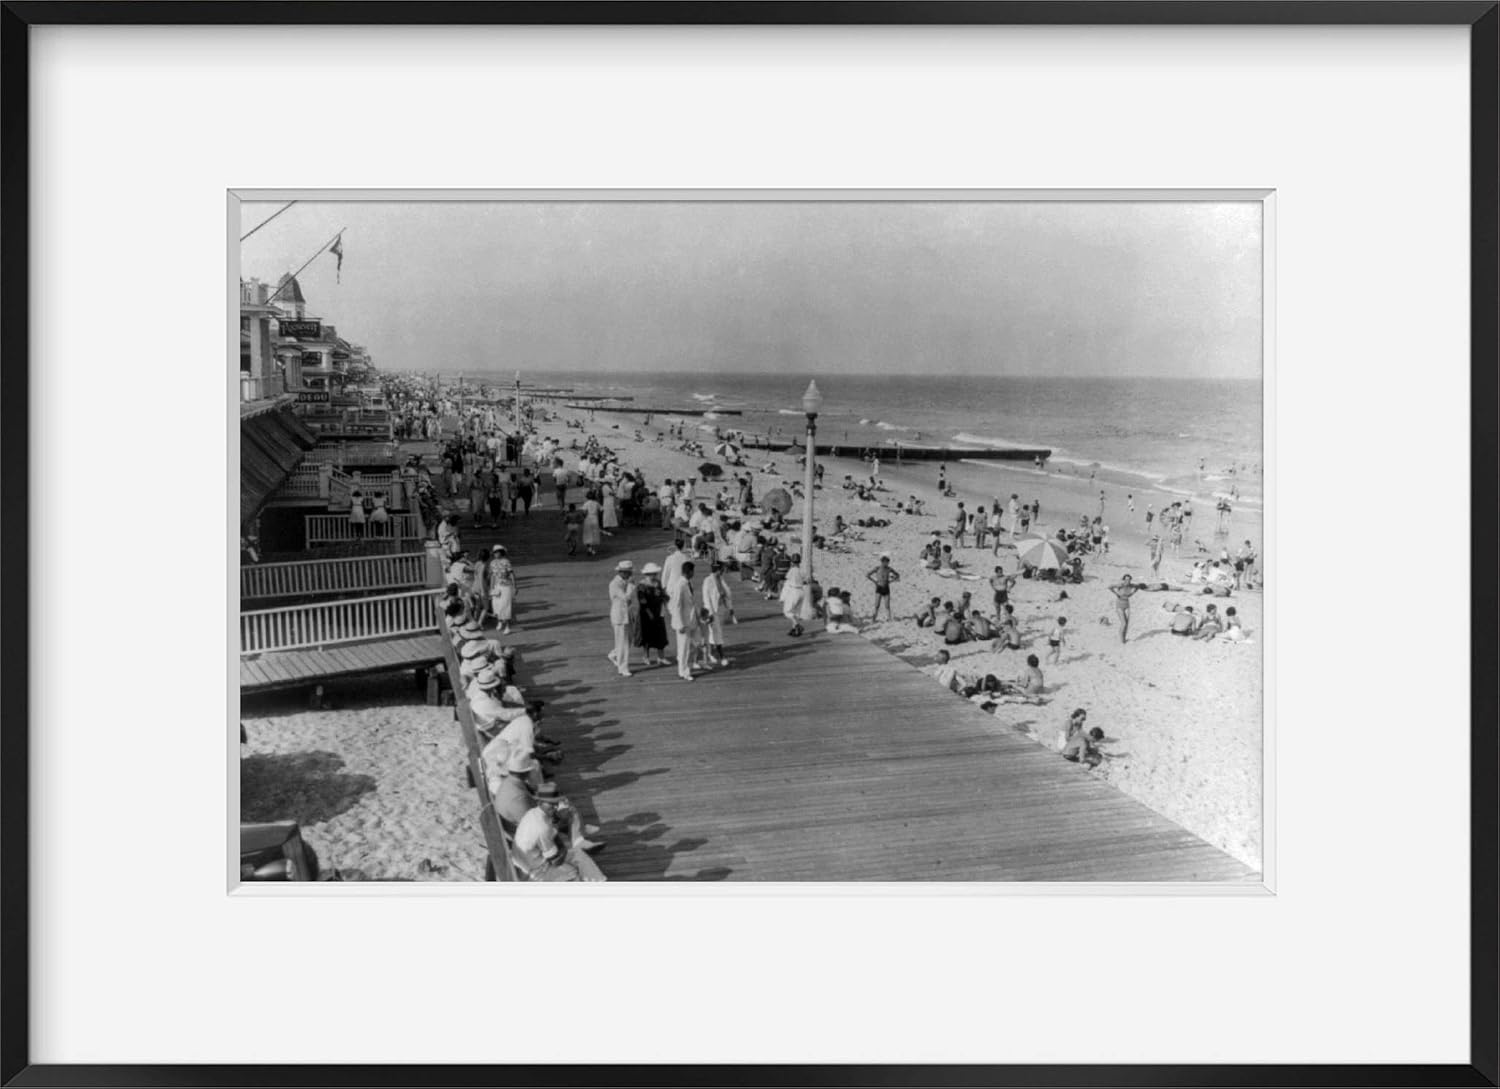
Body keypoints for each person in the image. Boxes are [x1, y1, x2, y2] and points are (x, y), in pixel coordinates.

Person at [701, 560, 736, 666]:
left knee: (714, 633)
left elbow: (727, 595)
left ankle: (710, 653)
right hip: (712, 610)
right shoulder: (708, 581)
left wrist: (730, 609)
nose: (724, 571)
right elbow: (706, 598)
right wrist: (710, 613)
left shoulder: (721, 579)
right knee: (717, 633)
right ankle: (722, 656)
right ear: (718, 570)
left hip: (720, 609)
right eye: (722, 569)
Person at [669, 560, 699, 680]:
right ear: (689, 572)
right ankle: (684, 671)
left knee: (688, 646)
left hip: (690, 620)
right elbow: (676, 605)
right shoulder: (680, 584)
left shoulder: (687, 583)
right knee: (684, 648)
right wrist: (680, 624)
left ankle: (683, 669)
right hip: (683, 622)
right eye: (693, 571)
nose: (693, 573)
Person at [635, 562, 670, 666]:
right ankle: (645, 656)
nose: (654, 576)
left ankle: (661, 657)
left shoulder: (658, 583)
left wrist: (665, 597)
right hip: (646, 613)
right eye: (652, 574)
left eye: (655, 573)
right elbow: (642, 601)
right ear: (647, 574)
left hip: (658, 611)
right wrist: (649, 613)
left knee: (661, 634)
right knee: (647, 635)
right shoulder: (641, 585)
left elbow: (662, 595)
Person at [607, 560, 636, 677]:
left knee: (628, 640)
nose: (631, 575)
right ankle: (622, 668)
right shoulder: (614, 584)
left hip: (626, 615)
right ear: (622, 572)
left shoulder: (625, 582)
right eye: (629, 573)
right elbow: (626, 598)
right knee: (623, 643)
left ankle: (614, 654)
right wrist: (631, 586)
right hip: (619, 616)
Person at [488, 546, 515, 634]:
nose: (495, 554)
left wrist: (515, 586)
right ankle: (499, 621)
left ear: (501, 552)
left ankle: (507, 626)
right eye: (494, 552)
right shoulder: (492, 563)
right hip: (496, 586)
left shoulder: (506, 562)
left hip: (506, 586)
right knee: (496, 605)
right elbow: (492, 576)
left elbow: (511, 574)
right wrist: (491, 588)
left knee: (506, 605)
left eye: (497, 552)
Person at [1108, 575, 1143, 644]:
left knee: (1127, 624)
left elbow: (1138, 587)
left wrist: (1133, 593)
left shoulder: (1131, 585)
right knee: (1123, 623)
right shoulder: (1120, 585)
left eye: (1129, 580)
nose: (1128, 581)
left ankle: (1124, 639)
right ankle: (1121, 641)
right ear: (1123, 580)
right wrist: (1116, 593)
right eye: (1126, 580)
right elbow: (1109, 587)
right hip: (1119, 605)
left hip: (1127, 604)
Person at [866, 554, 900, 621]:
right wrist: (875, 582)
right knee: (877, 605)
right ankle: (874, 619)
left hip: (886, 587)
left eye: (888, 562)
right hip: (879, 587)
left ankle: (889, 618)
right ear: (883, 562)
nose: (887, 564)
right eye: (886, 562)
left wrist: (891, 581)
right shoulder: (877, 568)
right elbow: (868, 575)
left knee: (887, 605)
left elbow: (897, 575)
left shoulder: (889, 569)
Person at [780, 559, 807, 637]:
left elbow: (787, 581)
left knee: (787, 611)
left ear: (792, 562)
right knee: (796, 611)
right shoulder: (802, 570)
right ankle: (794, 629)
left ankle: (797, 625)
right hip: (801, 591)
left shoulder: (791, 570)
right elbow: (806, 580)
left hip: (794, 590)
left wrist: (783, 597)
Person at [581, 492, 602, 557]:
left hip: (588, 519)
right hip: (595, 518)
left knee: (588, 534)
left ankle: (589, 549)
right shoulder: (596, 503)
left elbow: (584, 512)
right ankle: (592, 549)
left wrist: (583, 517)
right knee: (594, 534)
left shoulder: (586, 503)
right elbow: (601, 509)